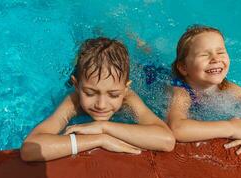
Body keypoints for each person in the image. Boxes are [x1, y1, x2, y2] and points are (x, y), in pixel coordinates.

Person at [21, 37, 175, 161]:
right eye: (90, 93)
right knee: (79, 68)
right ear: (76, 86)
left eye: (114, 95)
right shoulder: (73, 102)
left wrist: (104, 127)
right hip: (83, 77)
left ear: (125, 89)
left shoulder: (128, 99)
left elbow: (167, 140)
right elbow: (30, 149)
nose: (101, 105)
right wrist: (100, 139)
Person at [167, 25, 241, 155]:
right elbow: (177, 128)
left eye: (220, 52)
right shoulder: (181, 92)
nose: (215, 59)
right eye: (204, 55)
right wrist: (231, 128)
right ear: (183, 67)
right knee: (145, 50)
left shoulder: (226, 88)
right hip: (151, 75)